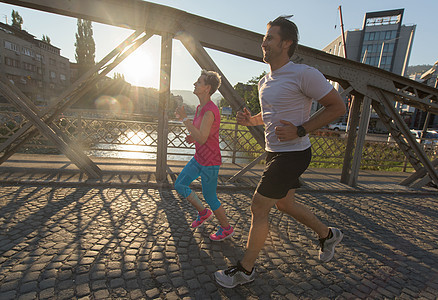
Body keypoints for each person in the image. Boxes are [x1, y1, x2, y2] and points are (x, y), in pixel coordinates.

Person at [215, 16, 347, 288]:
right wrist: (252, 120)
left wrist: (301, 129)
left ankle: (245, 270)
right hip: (275, 152)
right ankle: (327, 234)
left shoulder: (304, 73)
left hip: (294, 153)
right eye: (264, 38)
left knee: (258, 206)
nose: (263, 43)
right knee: (284, 204)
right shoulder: (265, 81)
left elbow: (337, 107)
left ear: (286, 43)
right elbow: (272, 114)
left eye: (270, 38)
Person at [174, 70, 234, 241]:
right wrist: (193, 137)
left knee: (210, 196)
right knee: (180, 184)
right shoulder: (201, 107)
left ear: (207, 88)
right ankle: (203, 212)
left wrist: (185, 119)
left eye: (198, 82)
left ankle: (227, 228)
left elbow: (203, 136)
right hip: (199, 157)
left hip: (210, 161)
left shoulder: (209, 110)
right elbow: (201, 135)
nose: (195, 84)